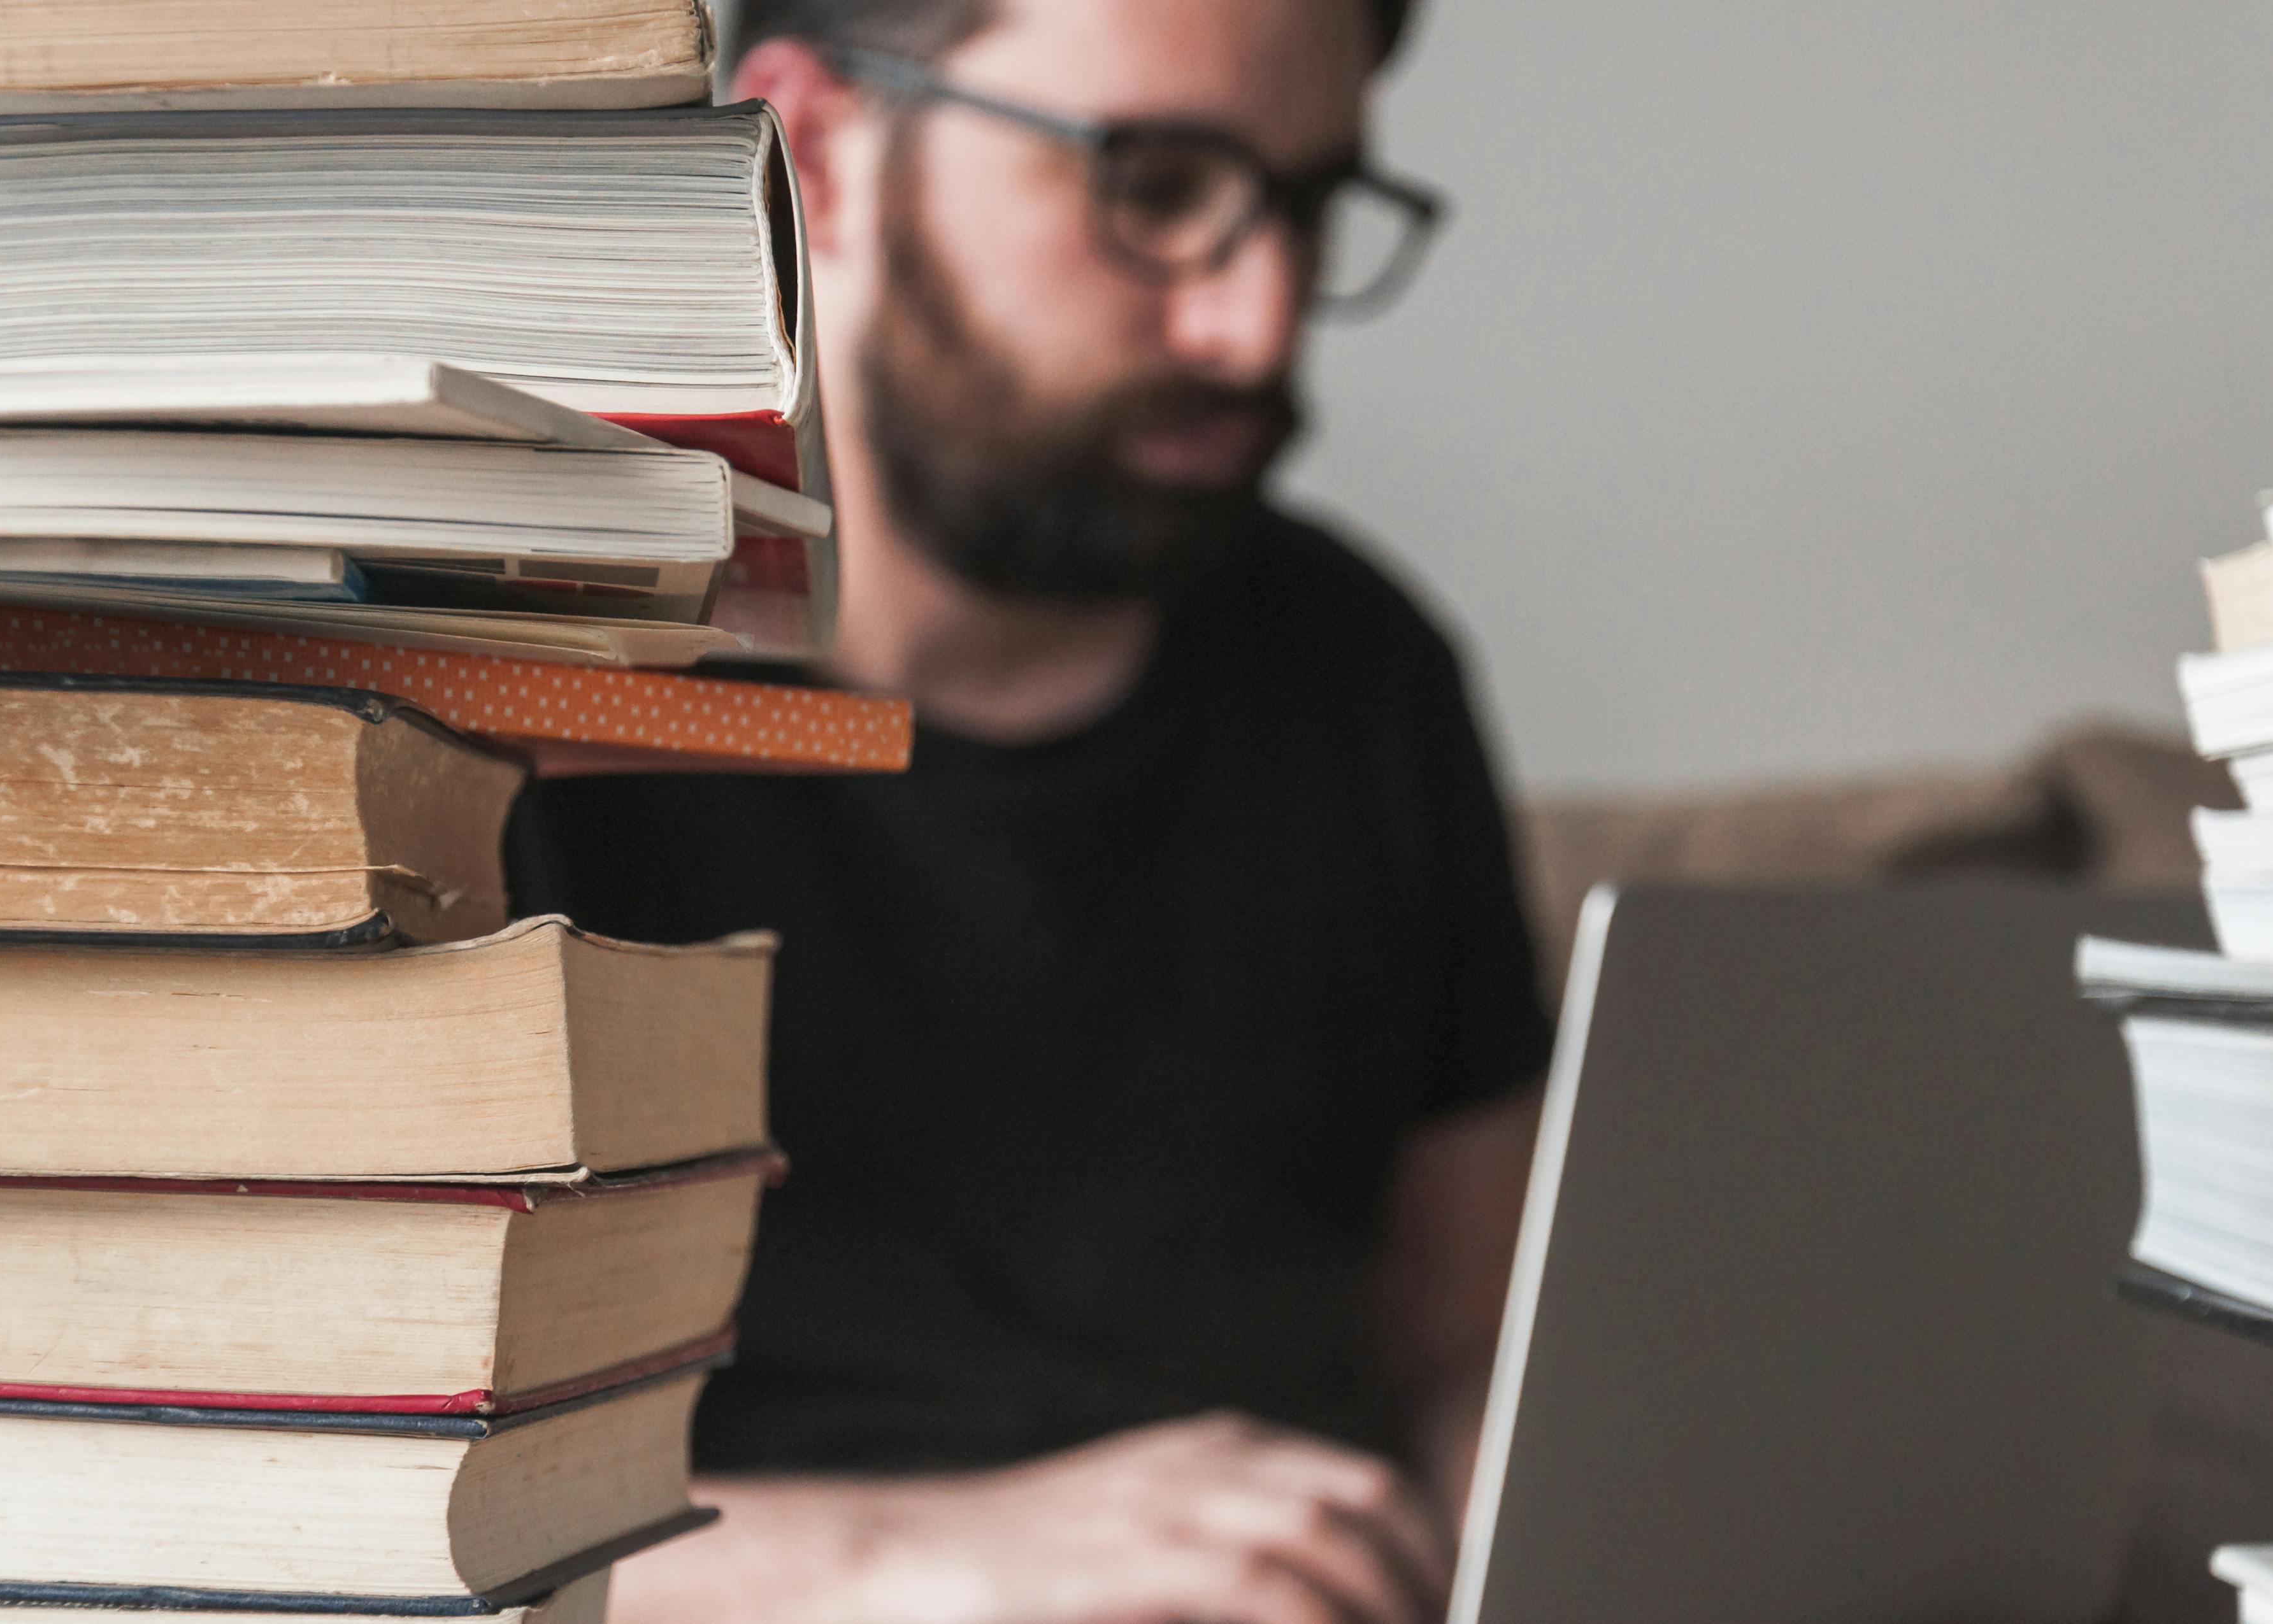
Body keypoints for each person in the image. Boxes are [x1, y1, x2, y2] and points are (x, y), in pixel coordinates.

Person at [505, 0, 1551, 1618]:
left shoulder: (1359, 670)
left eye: (1309, 204)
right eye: (1154, 187)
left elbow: (1475, 1348)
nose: (1257, 325)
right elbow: (241, 1499)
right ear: (819, 156)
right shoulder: (465, 688)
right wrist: (920, 1562)